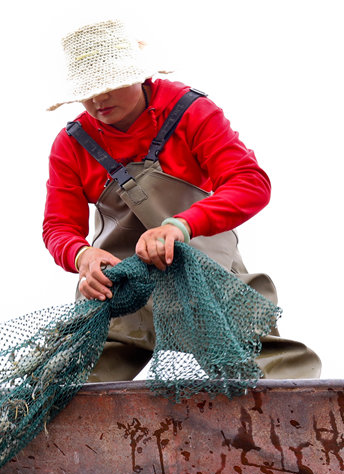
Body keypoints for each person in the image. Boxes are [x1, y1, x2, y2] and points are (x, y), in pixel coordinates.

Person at [42, 18, 320, 381]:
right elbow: (58, 226)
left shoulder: (190, 111)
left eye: (109, 84)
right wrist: (83, 256)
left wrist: (179, 226)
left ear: (138, 74)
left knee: (276, 378)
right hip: (122, 292)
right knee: (69, 388)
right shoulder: (71, 144)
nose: (98, 98)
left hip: (208, 280)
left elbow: (250, 182)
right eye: (88, 89)